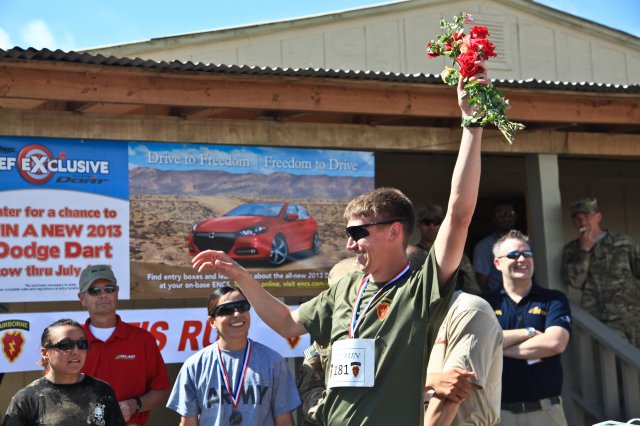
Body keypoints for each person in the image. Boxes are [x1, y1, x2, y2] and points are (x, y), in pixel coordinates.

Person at [191, 62, 488, 425]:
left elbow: (459, 215)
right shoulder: (346, 288)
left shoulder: (420, 287)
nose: (349, 245)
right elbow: (286, 323)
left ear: (394, 231)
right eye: (348, 234)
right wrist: (241, 276)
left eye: (359, 234)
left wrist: (472, 123)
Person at [167, 286, 301, 425]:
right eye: (226, 310)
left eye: (242, 307)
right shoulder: (194, 366)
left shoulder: (273, 362)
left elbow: (284, 421)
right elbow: (188, 423)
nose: (237, 314)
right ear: (212, 322)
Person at [484, 230, 572, 426]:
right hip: (498, 413)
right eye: (514, 255)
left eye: (527, 254)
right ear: (497, 263)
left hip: (546, 412)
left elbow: (555, 342)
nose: (522, 259)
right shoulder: (484, 303)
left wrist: (497, 347)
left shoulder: (553, 299)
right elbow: (480, 343)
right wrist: (529, 333)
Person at [77, 265, 171, 426]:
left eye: (109, 289)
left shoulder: (143, 339)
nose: (103, 295)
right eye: (94, 291)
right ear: (82, 298)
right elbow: (54, 391)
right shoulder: (70, 340)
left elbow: (161, 390)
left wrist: (134, 405)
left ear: (117, 292)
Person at [3, 319, 126, 426]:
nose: (76, 351)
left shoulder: (102, 391)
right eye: (66, 345)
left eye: (82, 344)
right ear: (45, 353)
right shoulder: (26, 399)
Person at [561, 196, 640, 347]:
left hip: (632, 315)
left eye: (587, 217)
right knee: (616, 362)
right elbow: (575, 282)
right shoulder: (572, 250)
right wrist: (584, 250)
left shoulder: (622, 242)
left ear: (598, 217)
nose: (583, 223)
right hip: (602, 319)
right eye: (578, 219)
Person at [424, 290, 503, 426]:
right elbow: (375, 384)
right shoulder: (389, 312)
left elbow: (453, 392)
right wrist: (431, 381)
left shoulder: (469, 308)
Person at [417, 203, 481, 295]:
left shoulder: (456, 254)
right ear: (418, 224)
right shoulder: (411, 254)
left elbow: (472, 288)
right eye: (427, 222)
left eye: (436, 222)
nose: (431, 227)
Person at [473, 201, 517, 293]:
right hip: (498, 300)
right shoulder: (484, 246)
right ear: (493, 219)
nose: (506, 217)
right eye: (500, 214)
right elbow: (481, 281)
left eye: (510, 213)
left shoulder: (526, 242)